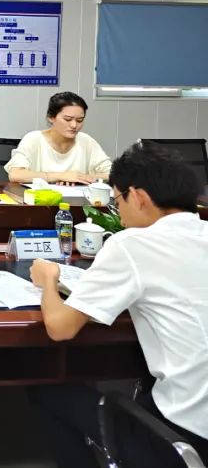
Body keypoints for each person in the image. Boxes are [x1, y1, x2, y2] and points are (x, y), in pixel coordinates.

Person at [28, 143, 208, 467]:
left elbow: (60, 328)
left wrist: (49, 279)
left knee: (48, 391)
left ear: (137, 196)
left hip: (185, 436)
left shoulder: (133, 243)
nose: (119, 214)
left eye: (118, 200)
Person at [5, 91, 111, 185]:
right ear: (51, 117)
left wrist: (81, 178)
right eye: (67, 119)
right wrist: (61, 176)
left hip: (78, 199)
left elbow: (112, 174)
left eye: (80, 120)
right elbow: (15, 175)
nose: (74, 125)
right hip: (41, 199)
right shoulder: (33, 139)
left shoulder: (86, 141)